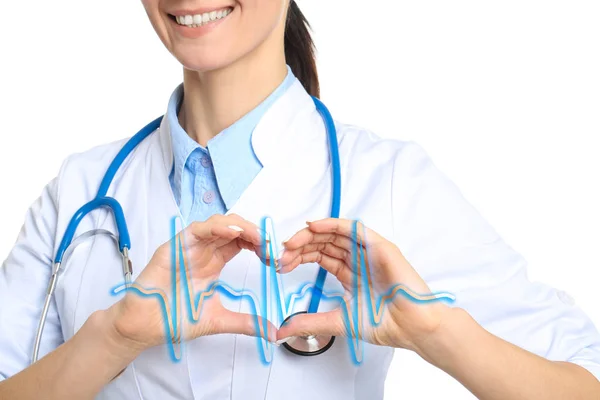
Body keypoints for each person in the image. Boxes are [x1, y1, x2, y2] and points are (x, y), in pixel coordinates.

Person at [1, 0, 599, 399]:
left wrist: (435, 333)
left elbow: (584, 378)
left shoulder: (386, 182)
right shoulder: (80, 194)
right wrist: (113, 339)